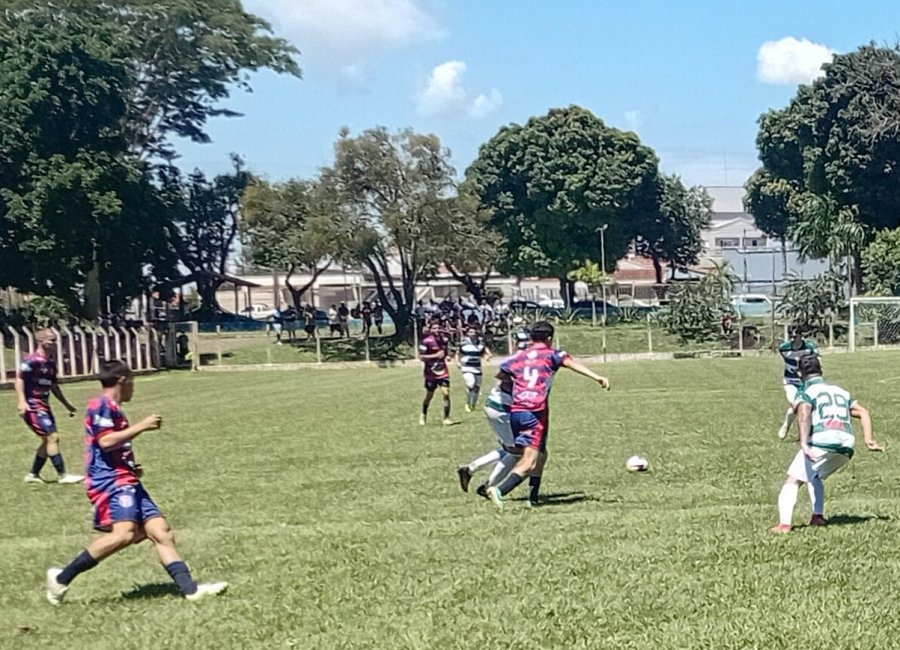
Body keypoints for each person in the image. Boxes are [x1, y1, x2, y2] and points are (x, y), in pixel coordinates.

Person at [45, 360, 228, 605]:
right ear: (122, 379)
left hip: (126, 479)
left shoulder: (113, 407)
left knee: (161, 532)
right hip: (111, 482)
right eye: (132, 381)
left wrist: (131, 467)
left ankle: (191, 590)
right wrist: (142, 426)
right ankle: (61, 579)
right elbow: (106, 441)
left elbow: (112, 446)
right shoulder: (101, 405)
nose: (134, 387)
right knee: (124, 535)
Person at [487, 321, 610, 510]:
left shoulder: (519, 357)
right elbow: (571, 364)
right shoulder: (553, 355)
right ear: (550, 338)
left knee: (541, 454)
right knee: (529, 462)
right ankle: (499, 490)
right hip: (534, 412)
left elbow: (502, 374)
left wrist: (521, 386)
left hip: (517, 411)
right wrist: (598, 377)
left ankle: (533, 497)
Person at [772, 355, 883, 533]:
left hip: (822, 441)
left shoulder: (806, 392)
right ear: (821, 370)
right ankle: (817, 516)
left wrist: (804, 442)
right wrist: (869, 440)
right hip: (846, 444)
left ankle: (784, 524)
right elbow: (863, 411)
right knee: (814, 476)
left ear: (799, 373)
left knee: (792, 480)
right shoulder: (840, 391)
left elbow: (804, 413)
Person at [456, 332, 531, 498]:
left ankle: (470, 469)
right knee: (517, 451)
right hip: (502, 408)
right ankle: (489, 487)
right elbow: (506, 380)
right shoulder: (524, 362)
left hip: (494, 404)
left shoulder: (517, 359)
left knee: (508, 447)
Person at [16, 328, 83, 485]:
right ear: (41, 341)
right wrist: (22, 401)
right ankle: (62, 475)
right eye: (51, 340)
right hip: (32, 405)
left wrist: (67, 405)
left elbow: (53, 386)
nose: (54, 343)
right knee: (52, 437)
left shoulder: (50, 364)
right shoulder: (31, 361)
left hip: (44, 405)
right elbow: (19, 380)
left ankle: (33, 474)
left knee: (48, 441)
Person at [777, 325, 819, 439]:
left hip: (806, 382)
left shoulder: (809, 347)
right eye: (790, 336)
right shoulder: (784, 348)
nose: (792, 339)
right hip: (790, 381)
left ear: (800, 335)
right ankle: (787, 426)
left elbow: (816, 362)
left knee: (805, 405)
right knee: (796, 403)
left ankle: (801, 430)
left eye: (795, 336)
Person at [419, 321, 452, 426]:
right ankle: (423, 414)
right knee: (429, 396)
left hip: (443, 372)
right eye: (434, 328)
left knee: (446, 394)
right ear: (430, 329)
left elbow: (444, 352)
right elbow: (422, 357)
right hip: (431, 373)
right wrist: (435, 356)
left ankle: (446, 418)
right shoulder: (426, 341)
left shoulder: (444, 340)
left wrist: (447, 356)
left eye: (438, 328)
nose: (436, 330)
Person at [456, 326, 492, 412]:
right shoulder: (463, 343)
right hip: (466, 367)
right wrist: (457, 362)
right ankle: (468, 402)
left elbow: (484, 353)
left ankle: (473, 404)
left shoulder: (480, 343)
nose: (473, 334)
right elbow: (457, 353)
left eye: (474, 332)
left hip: (477, 367)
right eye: (471, 332)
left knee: (477, 387)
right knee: (470, 384)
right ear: (467, 333)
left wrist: (487, 356)